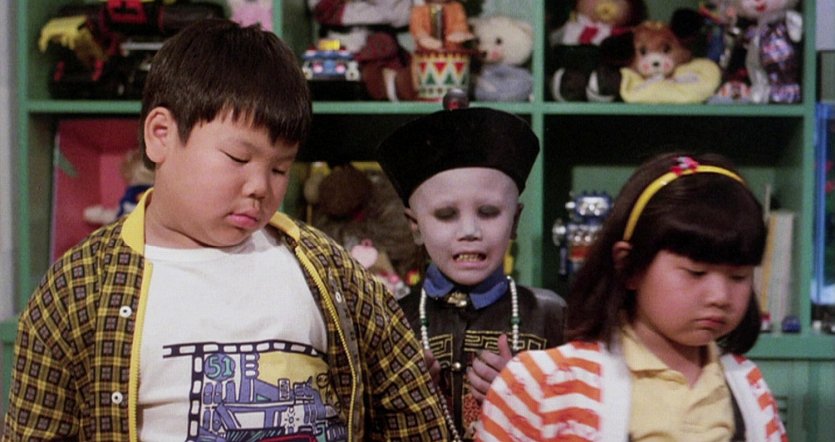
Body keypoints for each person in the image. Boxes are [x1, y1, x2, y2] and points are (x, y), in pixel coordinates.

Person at [3, 19, 449, 441]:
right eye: (238, 159)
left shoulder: (328, 268)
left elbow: (413, 412)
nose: (260, 187)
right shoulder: (79, 287)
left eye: (280, 168)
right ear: (161, 135)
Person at [479, 152, 788, 441]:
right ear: (629, 266)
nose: (720, 296)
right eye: (695, 273)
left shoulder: (748, 386)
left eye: (738, 276)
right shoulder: (543, 383)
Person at [377, 106, 567, 441]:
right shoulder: (392, 323)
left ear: (515, 220)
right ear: (414, 225)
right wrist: (404, 400)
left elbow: (581, 422)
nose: (469, 231)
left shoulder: (552, 316)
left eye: (489, 212)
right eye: (446, 214)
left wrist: (528, 401)